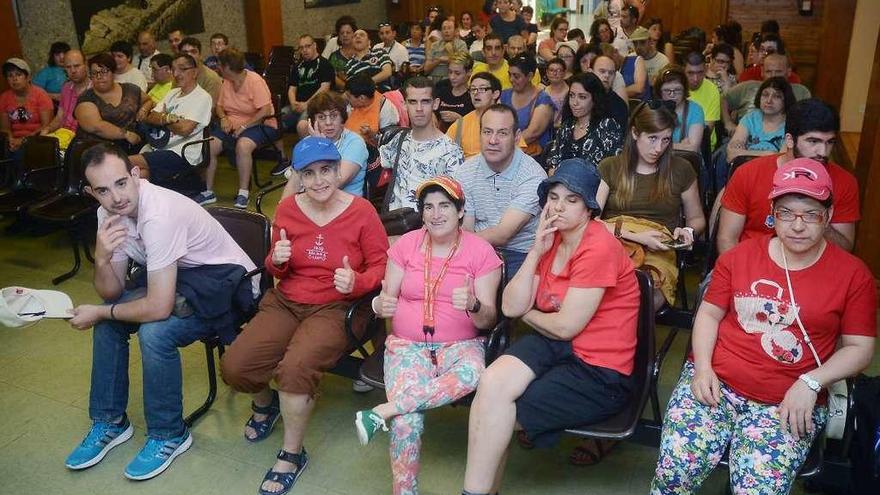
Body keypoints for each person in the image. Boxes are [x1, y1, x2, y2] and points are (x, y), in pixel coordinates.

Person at [651, 159, 876, 494]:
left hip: (788, 398)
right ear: (772, 212)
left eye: (811, 214)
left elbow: (861, 349)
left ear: (828, 217)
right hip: (716, 383)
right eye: (786, 212)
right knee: (674, 474)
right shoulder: (738, 257)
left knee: (757, 490)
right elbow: (709, 316)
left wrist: (812, 383)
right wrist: (702, 369)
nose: (798, 225)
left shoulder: (853, 275)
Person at [64, 143, 259, 481]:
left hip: (226, 284)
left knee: (154, 332)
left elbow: (157, 307)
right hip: (179, 277)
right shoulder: (108, 214)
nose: (116, 197)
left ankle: (170, 434)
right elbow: (111, 291)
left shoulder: (159, 214)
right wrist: (102, 259)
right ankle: (110, 422)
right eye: (103, 190)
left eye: (121, 183)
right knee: (110, 321)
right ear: (90, 192)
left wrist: (100, 311)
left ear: (136, 175)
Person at [219, 136, 388, 495]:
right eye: (308, 173)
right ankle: (267, 407)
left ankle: (292, 454)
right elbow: (276, 269)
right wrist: (275, 260)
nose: (319, 180)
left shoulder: (362, 211)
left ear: (338, 169)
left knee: (295, 369)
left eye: (326, 170)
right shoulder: (289, 210)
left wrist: (357, 280)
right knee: (236, 366)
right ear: (297, 176)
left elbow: (382, 266)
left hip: (339, 306)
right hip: (288, 301)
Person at [462, 158, 641, 495]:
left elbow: (564, 327)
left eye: (572, 200)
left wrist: (527, 314)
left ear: (589, 209)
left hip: (598, 369)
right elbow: (510, 305)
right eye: (554, 197)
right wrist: (534, 250)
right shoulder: (551, 239)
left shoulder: (598, 245)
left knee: (499, 414)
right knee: (492, 383)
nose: (559, 207)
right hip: (555, 345)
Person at [355, 176, 502, 495]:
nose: (436, 214)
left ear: (461, 211)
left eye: (445, 206)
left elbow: (489, 319)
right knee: (408, 422)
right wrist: (380, 304)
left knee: (474, 372)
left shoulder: (481, 252)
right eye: (428, 207)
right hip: (407, 345)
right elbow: (383, 301)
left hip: (462, 346)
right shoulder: (405, 245)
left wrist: (475, 304)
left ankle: (384, 411)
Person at [597, 100, 705, 307]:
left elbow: (697, 218)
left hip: (659, 245)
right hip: (614, 238)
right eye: (653, 138)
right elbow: (591, 221)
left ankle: (626, 336)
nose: (659, 148)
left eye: (666, 140)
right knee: (597, 286)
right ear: (635, 133)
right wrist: (637, 237)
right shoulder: (610, 166)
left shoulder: (681, 169)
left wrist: (689, 231)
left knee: (644, 294)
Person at [718, 98, 860, 254]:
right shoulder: (749, 173)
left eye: (830, 142)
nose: (823, 152)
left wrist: (816, 212)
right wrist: (740, 276)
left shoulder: (845, 182)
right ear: (790, 140)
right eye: (813, 141)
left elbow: (844, 249)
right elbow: (727, 239)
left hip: (811, 269)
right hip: (751, 264)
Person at [454, 104, 547, 279]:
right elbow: (466, 226)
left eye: (502, 133)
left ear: (517, 137)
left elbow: (504, 234)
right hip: (476, 248)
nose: (493, 140)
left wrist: (457, 244)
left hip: (519, 253)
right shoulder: (465, 171)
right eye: (487, 132)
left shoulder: (532, 176)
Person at [198, 48, 279, 209]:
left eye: (220, 65)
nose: (218, 68)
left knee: (243, 145)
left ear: (227, 67)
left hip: (260, 123)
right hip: (232, 124)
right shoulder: (226, 82)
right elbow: (220, 106)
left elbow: (265, 110)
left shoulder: (254, 81)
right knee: (210, 145)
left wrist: (244, 126)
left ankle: (243, 193)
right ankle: (208, 191)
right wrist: (223, 118)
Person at [128, 53, 213, 189]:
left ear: (195, 72)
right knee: (140, 174)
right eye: (174, 70)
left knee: (126, 162)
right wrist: (168, 118)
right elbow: (150, 117)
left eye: (182, 69)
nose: (177, 73)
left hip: (182, 153)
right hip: (159, 147)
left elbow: (185, 130)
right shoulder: (172, 93)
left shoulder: (202, 97)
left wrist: (162, 118)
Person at [380, 77, 464, 211]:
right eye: (413, 102)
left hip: (429, 226)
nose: (419, 108)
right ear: (404, 105)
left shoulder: (451, 151)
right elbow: (378, 163)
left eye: (425, 102)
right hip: (394, 224)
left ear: (435, 104)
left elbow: (456, 200)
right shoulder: (398, 140)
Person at [281, 91, 369, 198]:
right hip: (310, 201)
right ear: (313, 121)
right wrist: (283, 208)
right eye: (321, 117)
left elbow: (334, 183)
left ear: (342, 118)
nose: (328, 122)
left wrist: (321, 148)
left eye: (334, 116)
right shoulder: (307, 142)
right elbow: (294, 181)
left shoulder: (355, 142)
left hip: (344, 206)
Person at [74, 53, 149, 155]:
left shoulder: (130, 89)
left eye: (104, 71)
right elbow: (97, 127)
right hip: (94, 151)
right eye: (94, 73)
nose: (99, 76)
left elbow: (149, 100)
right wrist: (126, 135)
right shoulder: (85, 98)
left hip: (131, 147)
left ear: (113, 72)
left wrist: (144, 109)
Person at [546, 72, 623, 171]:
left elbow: (614, 170)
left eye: (582, 97)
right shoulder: (567, 126)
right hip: (561, 182)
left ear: (595, 99)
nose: (574, 102)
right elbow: (552, 164)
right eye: (572, 95)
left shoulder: (608, 126)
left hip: (596, 185)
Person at [722, 54, 811, 134]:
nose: (773, 76)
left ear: (789, 72)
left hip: (783, 142)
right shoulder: (748, 86)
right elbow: (723, 99)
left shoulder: (801, 91)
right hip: (743, 137)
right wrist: (728, 122)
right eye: (768, 72)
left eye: (778, 72)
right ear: (762, 72)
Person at [447, 72, 526, 160]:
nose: (476, 93)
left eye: (482, 89)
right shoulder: (460, 124)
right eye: (473, 89)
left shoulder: (506, 120)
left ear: (495, 94)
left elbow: (519, 152)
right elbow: (446, 154)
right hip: (469, 171)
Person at [726, 77, 795, 162]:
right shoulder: (751, 118)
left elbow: (783, 159)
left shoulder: (792, 123)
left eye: (777, 96)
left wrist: (744, 153)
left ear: (786, 100)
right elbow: (731, 154)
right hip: (745, 168)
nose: (769, 101)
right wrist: (769, 153)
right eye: (765, 95)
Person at [499, 55, 555, 158]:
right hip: (504, 152)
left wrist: (502, 147)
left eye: (516, 76)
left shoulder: (543, 100)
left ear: (530, 76)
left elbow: (532, 133)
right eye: (509, 74)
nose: (511, 79)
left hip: (532, 157)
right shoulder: (504, 95)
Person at [38, 50, 90, 151]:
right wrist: (47, 129)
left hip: (82, 141)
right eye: (68, 67)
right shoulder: (65, 88)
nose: (73, 71)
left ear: (86, 64)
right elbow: (59, 118)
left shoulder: (94, 89)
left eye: (77, 66)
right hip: (63, 136)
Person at [0, 58, 54, 156]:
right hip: (13, 142)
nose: (14, 79)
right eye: (10, 76)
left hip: (37, 140)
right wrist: (11, 140)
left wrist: (23, 140)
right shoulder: (4, 98)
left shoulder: (41, 95)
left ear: (28, 77)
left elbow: (46, 126)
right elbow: (5, 128)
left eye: (18, 75)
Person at [288, 34, 335, 137]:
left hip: (317, 105)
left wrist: (307, 104)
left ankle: (307, 152)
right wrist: (293, 103)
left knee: (302, 125)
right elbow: (292, 88)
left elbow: (324, 89)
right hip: (297, 105)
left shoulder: (325, 64)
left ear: (315, 45)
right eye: (301, 47)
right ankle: (280, 152)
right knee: (273, 122)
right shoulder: (297, 66)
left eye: (308, 46)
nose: (304, 50)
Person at [655, 65, 705, 153]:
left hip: (686, 161)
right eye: (667, 91)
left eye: (677, 90)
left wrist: (659, 145)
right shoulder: (653, 109)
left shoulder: (695, 110)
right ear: (659, 92)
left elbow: (693, 148)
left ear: (685, 90)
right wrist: (681, 146)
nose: (672, 94)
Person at [343, 75, 400, 148]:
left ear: (361, 98)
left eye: (348, 96)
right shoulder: (349, 102)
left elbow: (389, 142)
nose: (345, 97)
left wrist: (371, 135)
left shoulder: (386, 109)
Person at [471, 34, 540, 89]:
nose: (493, 52)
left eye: (497, 48)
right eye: (489, 49)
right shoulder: (476, 69)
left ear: (503, 51)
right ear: (483, 52)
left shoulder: (515, 72)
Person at [683, 51, 721, 149]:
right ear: (683, 70)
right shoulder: (676, 88)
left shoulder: (712, 90)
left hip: (703, 146)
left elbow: (707, 130)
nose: (695, 79)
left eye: (700, 73)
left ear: (705, 70)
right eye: (690, 73)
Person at [435, 52, 474, 132]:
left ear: (469, 72)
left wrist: (460, 119)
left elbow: (475, 125)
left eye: (457, 73)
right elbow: (431, 110)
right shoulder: (441, 87)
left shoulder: (473, 95)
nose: (452, 77)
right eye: (450, 72)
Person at [178, 37, 222, 107]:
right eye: (185, 53)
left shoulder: (211, 78)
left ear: (200, 55)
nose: (189, 55)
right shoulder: (178, 75)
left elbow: (210, 109)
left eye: (193, 52)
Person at [591, 54, 630, 131]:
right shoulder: (579, 97)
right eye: (602, 71)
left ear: (615, 76)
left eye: (611, 73)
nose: (606, 75)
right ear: (591, 72)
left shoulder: (619, 105)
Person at [424, 19, 467, 83]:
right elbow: (426, 69)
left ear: (455, 31)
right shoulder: (435, 45)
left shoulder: (461, 44)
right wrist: (439, 60)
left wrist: (450, 54)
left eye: (449, 28)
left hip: (451, 79)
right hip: (433, 78)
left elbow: (463, 66)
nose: (446, 31)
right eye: (444, 29)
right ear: (441, 32)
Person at [327, 17, 358, 88]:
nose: (345, 35)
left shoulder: (361, 52)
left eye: (348, 32)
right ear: (339, 36)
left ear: (354, 34)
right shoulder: (334, 57)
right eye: (342, 33)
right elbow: (331, 77)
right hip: (341, 93)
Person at [620, 27, 649, 100]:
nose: (638, 47)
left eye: (642, 42)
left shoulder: (662, 60)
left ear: (650, 42)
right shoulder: (629, 59)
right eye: (635, 43)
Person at [543, 57, 570, 128]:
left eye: (559, 70)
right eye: (551, 70)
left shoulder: (570, 93)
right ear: (547, 72)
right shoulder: (543, 92)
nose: (554, 73)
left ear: (564, 73)